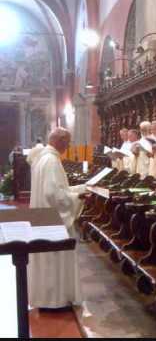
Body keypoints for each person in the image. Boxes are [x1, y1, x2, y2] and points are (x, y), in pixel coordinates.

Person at [26, 127, 85, 309]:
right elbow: (53, 193)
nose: (68, 146)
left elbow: (55, 190)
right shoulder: (51, 160)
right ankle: (55, 301)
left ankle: (45, 298)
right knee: (54, 258)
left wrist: (77, 189)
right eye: (68, 142)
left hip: (42, 217)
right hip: (53, 221)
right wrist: (76, 198)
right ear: (59, 141)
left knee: (45, 259)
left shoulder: (41, 158)